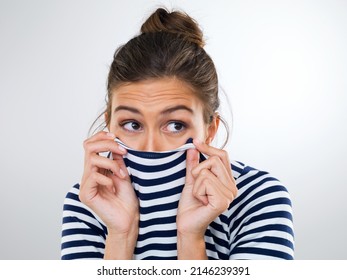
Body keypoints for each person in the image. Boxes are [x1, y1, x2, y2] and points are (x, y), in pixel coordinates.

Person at [61, 7, 294, 260]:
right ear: (109, 125)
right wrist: (121, 235)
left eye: (175, 125)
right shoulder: (90, 200)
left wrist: (190, 237)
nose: (150, 147)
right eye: (132, 124)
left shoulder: (257, 197)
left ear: (209, 130)